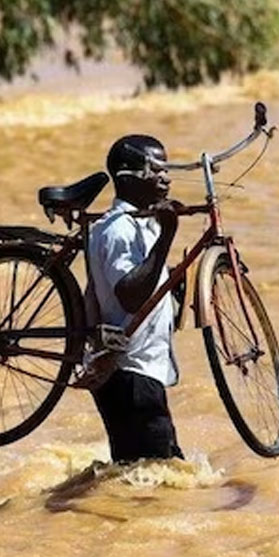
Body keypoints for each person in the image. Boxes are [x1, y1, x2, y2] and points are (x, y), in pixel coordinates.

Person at [83, 133, 186, 464]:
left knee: (152, 474)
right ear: (128, 177)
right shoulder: (119, 230)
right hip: (128, 373)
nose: (165, 178)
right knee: (153, 475)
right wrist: (167, 237)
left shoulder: (143, 224)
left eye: (166, 170)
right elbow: (130, 296)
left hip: (142, 373)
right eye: (155, 170)